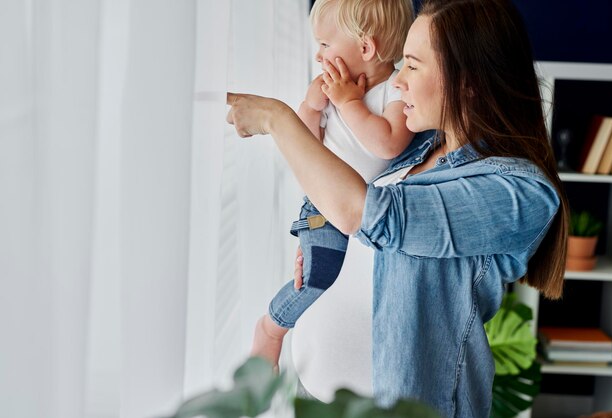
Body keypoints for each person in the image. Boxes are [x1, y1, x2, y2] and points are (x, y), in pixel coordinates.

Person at [227, 0, 569, 416]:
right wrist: (321, 240)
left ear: (468, 82)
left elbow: (372, 215)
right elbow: (351, 220)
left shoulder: (516, 192)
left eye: (411, 65)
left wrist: (277, 119)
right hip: (314, 392)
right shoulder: (418, 149)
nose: (398, 81)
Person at [250, 0, 415, 368]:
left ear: (366, 48)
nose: (318, 53)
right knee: (317, 275)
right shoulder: (327, 90)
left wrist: (350, 102)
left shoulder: (396, 91)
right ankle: (272, 328)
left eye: (325, 44)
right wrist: (310, 108)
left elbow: (387, 142)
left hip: (364, 216)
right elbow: (306, 146)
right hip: (323, 205)